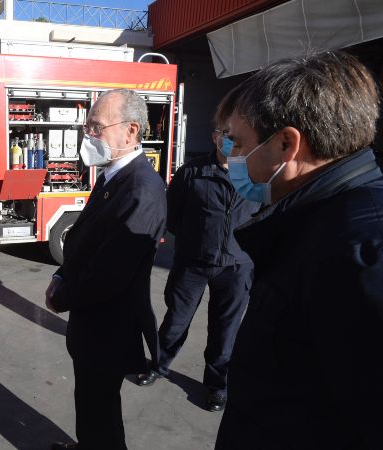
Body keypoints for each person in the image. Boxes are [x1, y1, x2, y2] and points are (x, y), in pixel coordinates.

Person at [214, 51, 383, 449]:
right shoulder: (323, 222)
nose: (231, 158)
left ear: (287, 144)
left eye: (237, 143)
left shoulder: (360, 253)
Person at [45, 88, 166, 450]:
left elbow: (110, 273)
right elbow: (83, 238)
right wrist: (60, 275)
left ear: (130, 131)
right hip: (92, 325)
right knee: (92, 409)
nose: (88, 137)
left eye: (96, 127)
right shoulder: (113, 176)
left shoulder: (142, 189)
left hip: (109, 327)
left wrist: (62, 296)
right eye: (87, 128)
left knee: (103, 419)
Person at [142, 117, 259, 412]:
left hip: (236, 267)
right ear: (214, 136)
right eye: (225, 134)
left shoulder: (256, 174)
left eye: (237, 135)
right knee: (176, 320)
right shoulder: (192, 172)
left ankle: (217, 385)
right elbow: (172, 214)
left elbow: (267, 215)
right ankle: (158, 365)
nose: (231, 140)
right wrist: (196, 239)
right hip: (192, 262)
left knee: (225, 329)